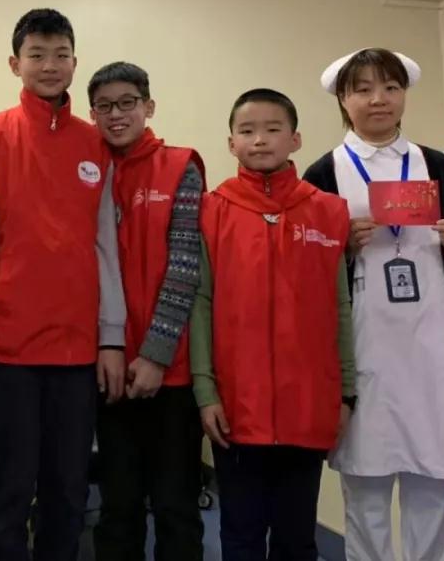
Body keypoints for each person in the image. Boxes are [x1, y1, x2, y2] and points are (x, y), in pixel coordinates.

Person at [0, 8, 127, 561]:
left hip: (77, 349)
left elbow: (105, 246)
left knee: (68, 489)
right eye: (37, 55)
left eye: (60, 55)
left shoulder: (95, 144)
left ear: (75, 62)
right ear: (15, 64)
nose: (50, 65)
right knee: (10, 485)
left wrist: (112, 337)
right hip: (9, 348)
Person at [302, 48, 444, 561]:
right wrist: (342, 249)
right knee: (366, 482)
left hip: (434, 340)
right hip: (367, 344)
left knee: (432, 481)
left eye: (390, 87)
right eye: (363, 89)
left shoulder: (437, 165)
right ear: (343, 100)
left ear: (404, 95)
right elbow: (308, 272)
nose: (378, 99)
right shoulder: (323, 172)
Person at [191, 88, 355, 561]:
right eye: (247, 131)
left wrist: (346, 393)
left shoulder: (328, 211)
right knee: (240, 535)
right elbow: (200, 303)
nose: (260, 140)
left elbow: (340, 306)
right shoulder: (212, 210)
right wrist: (205, 391)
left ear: (295, 139)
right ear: (231, 143)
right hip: (236, 408)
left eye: (272, 129)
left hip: (308, 404)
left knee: (296, 537)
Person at [85, 61, 206, 561]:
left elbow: (185, 268)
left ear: (148, 106)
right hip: (105, 366)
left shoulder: (181, 167)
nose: (116, 115)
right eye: (104, 106)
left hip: (169, 371)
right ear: (92, 114)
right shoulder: (86, 171)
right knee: (118, 507)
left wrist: (155, 356)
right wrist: (105, 346)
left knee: (176, 506)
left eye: (127, 103)